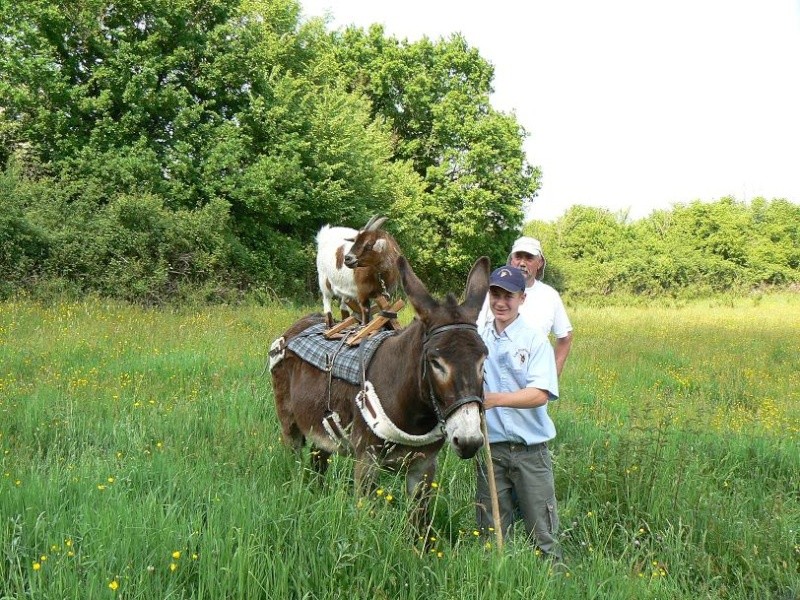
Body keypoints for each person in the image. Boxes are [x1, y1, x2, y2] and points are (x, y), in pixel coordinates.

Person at [476, 265, 562, 558]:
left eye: (508, 296)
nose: (501, 302)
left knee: (543, 532)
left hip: (530, 452)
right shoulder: (478, 339)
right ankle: (498, 579)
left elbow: (540, 394)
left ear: (522, 298)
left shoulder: (535, 340)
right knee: (492, 532)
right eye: (495, 294)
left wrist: (495, 399)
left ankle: (552, 579)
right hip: (492, 449)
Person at [477, 236, 573, 377]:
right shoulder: (491, 293)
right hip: (491, 386)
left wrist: (552, 376)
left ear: (539, 263)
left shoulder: (550, 296)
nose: (522, 263)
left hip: (531, 387)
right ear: (511, 260)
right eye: (518, 257)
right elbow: (475, 333)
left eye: (529, 258)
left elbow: (565, 337)